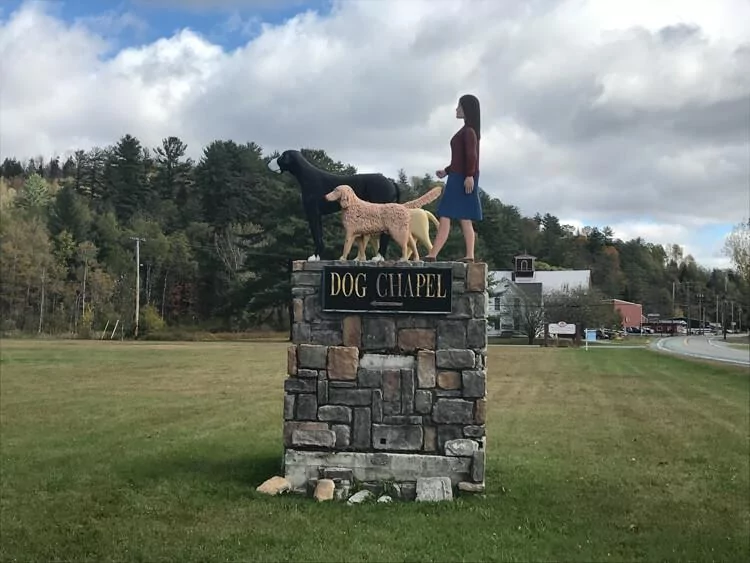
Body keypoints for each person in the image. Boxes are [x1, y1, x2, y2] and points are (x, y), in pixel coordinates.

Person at [423, 93, 482, 263]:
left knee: (453, 215)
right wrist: (447, 171)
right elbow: (459, 159)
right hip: (457, 176)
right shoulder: (465, 131)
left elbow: (472, 155)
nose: (456, 109)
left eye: (459, 106)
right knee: (456, 215)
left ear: (467, 109)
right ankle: (438, 253)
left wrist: (469, 175)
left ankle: (436, 254)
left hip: (463, 178)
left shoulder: (469, 132)